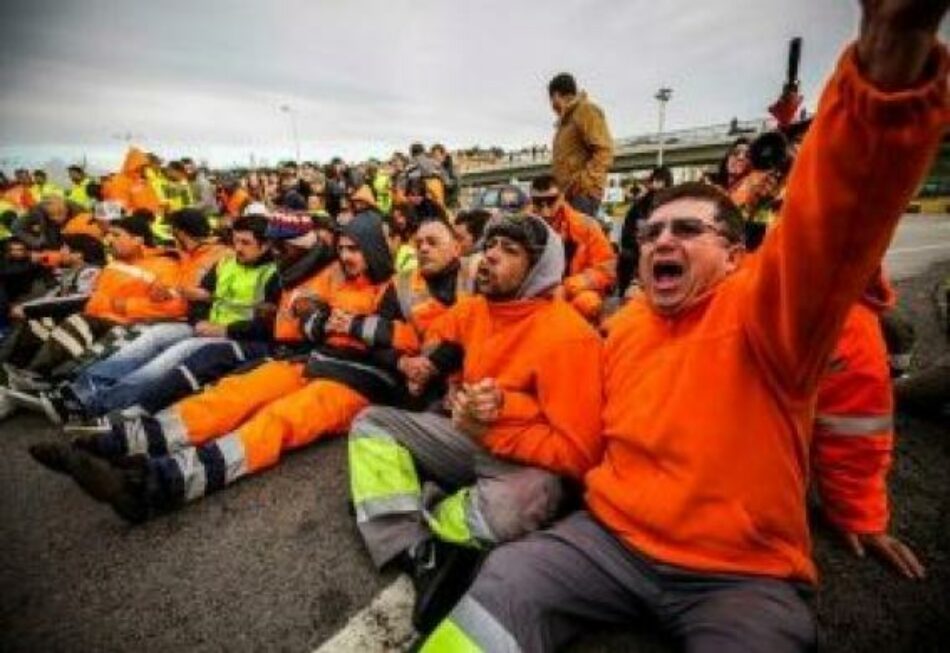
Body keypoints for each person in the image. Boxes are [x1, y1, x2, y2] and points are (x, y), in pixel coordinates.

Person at [421, 5, 949, 649]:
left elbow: (836, 221)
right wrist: (493, 410)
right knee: (503, 586)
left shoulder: (770, 313)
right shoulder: (623, 328)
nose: (662, 240)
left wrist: (892, 57)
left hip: (739, 578)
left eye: (688, 229)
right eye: (650, 233)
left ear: (735, 256)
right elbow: (575, 418)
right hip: (606, 541)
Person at [30, 210, 416, 523]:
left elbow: (417, 340)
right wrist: (317, 317)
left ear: (375, 248)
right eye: (344, 247)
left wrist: (358, 327)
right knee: (232, 394)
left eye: (356, 249)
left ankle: (156, 486)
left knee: (275, 421)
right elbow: (305, 322)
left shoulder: (402, 286)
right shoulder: (337, 278)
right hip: (311, 360)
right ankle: (115, 444)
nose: (347, 256)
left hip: (358, 382)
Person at [349, 214, 603, 633]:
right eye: (491, 245)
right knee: (370, 424)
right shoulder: (477, 309)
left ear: (539, 269)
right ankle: (415, 551)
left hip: (522, 464)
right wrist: (426, 366)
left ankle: (437, 515)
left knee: (518, 505)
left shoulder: (569, 338)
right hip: (468, 438)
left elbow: (580, 456)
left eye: (510, 250)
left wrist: (498, 424)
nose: (489, 257)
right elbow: (436, 334)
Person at [812, 273, 925, 580]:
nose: (664, 240)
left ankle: (900, 381)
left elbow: (852, 424)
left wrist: (857, 511)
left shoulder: (838, 318)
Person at [528, 175, 616, 321]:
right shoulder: (522, 226)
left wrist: (567, 287)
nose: (545, 211)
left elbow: (606, 270)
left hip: (574, 292)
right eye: (538, 203)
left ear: (562, 198)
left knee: (588, 303)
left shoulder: (587, 226)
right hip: (535, 294)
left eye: (551, 201)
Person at [548, 72, 613, 216]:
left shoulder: (586, 111)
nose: (552, 107)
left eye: (552, 100)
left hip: (583, 195)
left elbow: (604, 151)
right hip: (569, 195)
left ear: (556, 95)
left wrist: (582, 183)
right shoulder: (566, 122)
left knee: (579, 237)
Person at [617, 166, 673, 296]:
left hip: (662, 250)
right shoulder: (638, 206)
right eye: (655, 180)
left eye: (661, 181)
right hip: (638, 250)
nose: (657, 184)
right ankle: (624, 292)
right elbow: (627, 233)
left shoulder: (673, 206)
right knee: (625, 256)